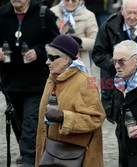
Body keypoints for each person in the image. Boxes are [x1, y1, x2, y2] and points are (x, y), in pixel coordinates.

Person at [0, 0, 59, 166]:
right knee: (16, 119)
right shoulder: (2, 14)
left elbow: (55, 41)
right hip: (10, 80)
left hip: (37, 80)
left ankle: (29, 157)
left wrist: (39, 52)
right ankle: (26, 149)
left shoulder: (43, 13)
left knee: (31, 120)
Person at [35, 35, 106, 167]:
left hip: (77, 158)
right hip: (50, 156)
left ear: (66, 59)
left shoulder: (84, 81)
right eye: (47, 56)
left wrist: (64, 117)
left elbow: (96, 118)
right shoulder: (52, 78)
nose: (47, 62)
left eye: (52, 57)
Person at [50, 0, 98, 72]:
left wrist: (79, 42)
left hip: (80, 62)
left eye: (73, 1)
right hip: (56, 61)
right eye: (67, 0)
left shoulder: (89, 15)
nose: (70, 3)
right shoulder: (52, 12)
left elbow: (95, 41)